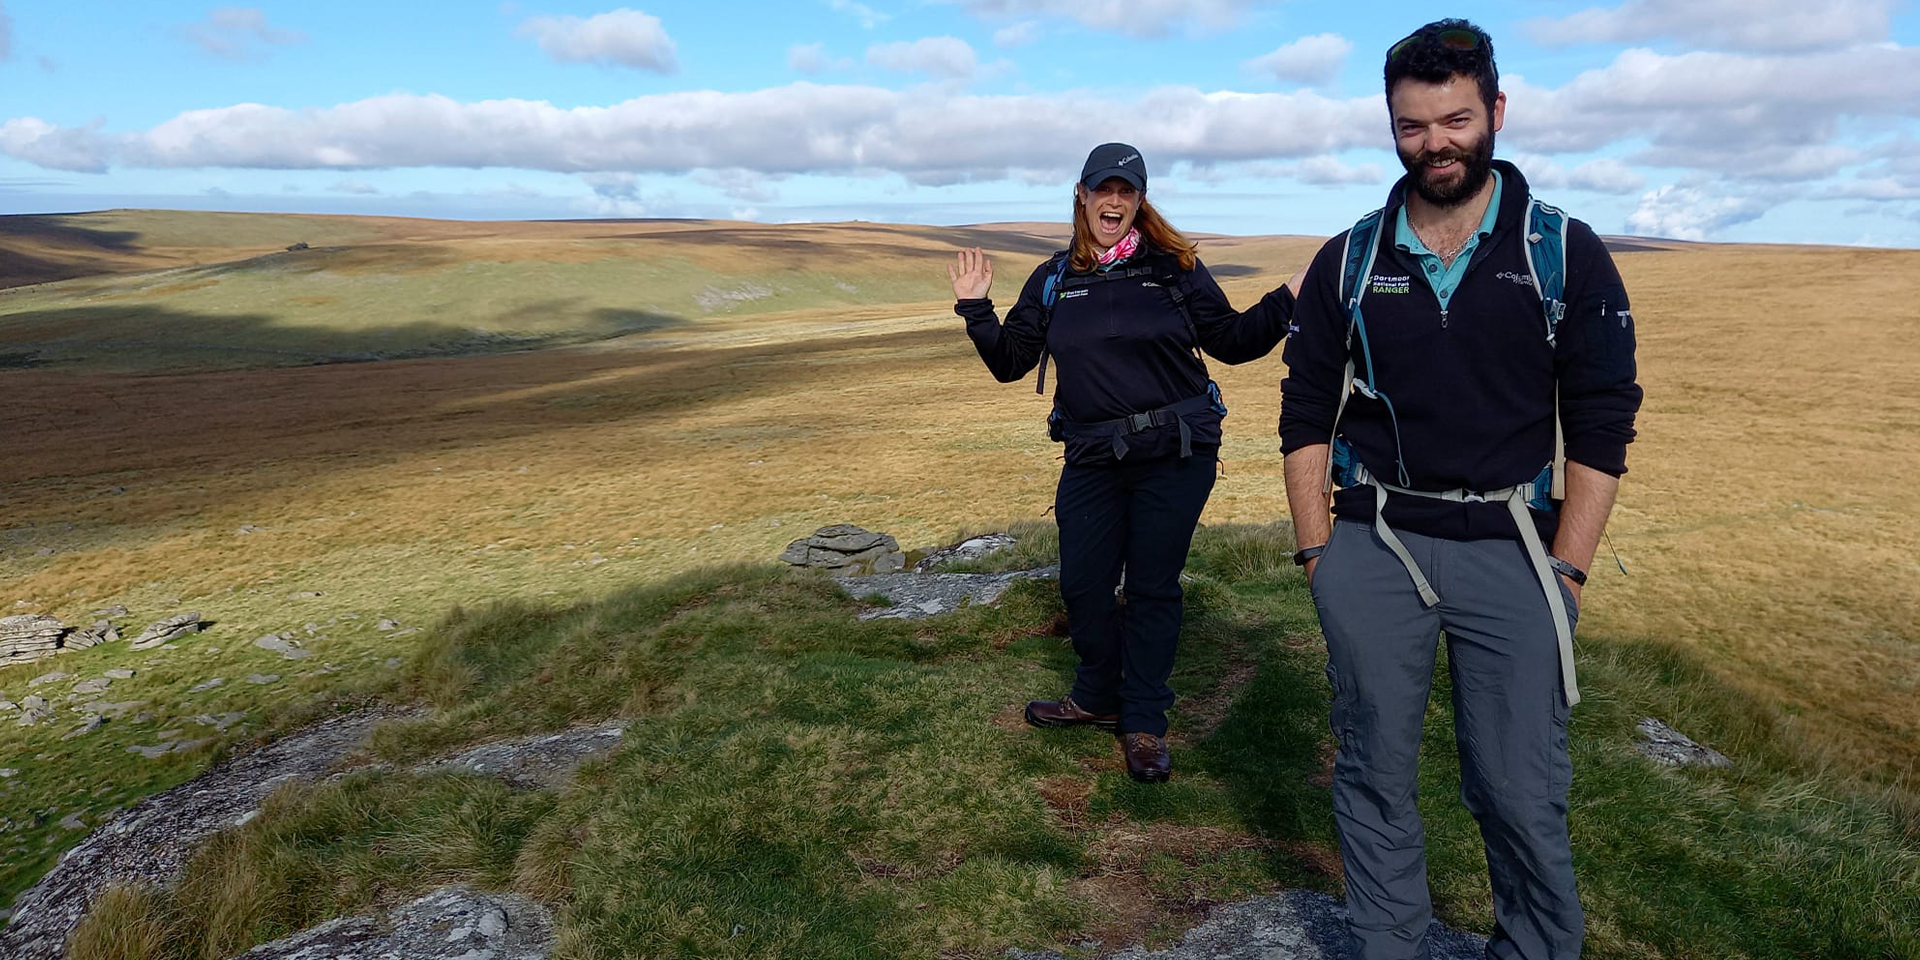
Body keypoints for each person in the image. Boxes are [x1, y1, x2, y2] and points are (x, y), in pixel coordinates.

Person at [1278, 20, 1641, 960]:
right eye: (1412, 126)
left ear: (1496, 112)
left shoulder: (1566, 252)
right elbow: (1305, 410)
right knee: (1373, 773)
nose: (1435, 142)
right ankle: (1388, 945)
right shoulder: (1350, 259)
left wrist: (1568, 573)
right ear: (1390, 125)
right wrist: (1318, 552)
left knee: (1520, 786)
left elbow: (1601, 420)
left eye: (1456, 119)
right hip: (1374, 544)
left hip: (1518, 550)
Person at [949, 142, 1299, 783]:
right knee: (1082, 584)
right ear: (1081, 195)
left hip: (1175, 451)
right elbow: (1010, 362)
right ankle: (1096, 694)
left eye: (1127, 191)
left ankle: (1142, 721)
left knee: (1150, 588)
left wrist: (1288, 297)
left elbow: (1231, 341)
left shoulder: (1174, 269)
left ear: (1140, 200)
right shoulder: (1055, 278)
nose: (1114, 201)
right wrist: (976, 309)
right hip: (1089, 454)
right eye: (1103, 189)